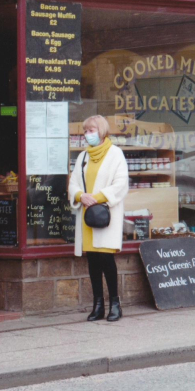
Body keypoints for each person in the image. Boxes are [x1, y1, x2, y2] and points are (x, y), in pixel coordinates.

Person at [68, 115, 129, 322]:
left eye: (91, 130)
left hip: (105, 214)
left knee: (106, 258)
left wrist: (96, 198)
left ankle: (115, 303)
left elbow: (120, 184)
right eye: (85, 131)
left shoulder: (115, 154)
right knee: (93, 260)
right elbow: (73, 183)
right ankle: (97, 305)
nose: (88, 134)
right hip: (87, 214)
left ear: (101, 131)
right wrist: (79, 196)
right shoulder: (83, 157)